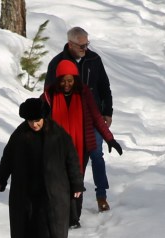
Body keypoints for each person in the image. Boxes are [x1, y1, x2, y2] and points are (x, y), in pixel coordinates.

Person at [0, 98, 83, 238]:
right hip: (27, 192)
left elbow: (71, 159)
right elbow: (7, 159)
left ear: (44, 117)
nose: (34, 124)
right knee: (31, 229)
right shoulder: (19, 135)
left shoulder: (58, 134)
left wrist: (77, 184)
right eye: (30, 121)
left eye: (37, 120)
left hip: (54, 191)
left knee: (52, 227)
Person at [44, 59, 122, 229]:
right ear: (57, 80)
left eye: (70, 81)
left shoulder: (84, 94)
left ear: (75, 80)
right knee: (60, 181)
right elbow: (38, 117)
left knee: (76, 179)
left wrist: (110, 139)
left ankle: (74, 218)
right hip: (56, 146)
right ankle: (61, 215)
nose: (66, 84)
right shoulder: (49, 96)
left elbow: (96, 117)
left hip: (81, 145)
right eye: (63, 81)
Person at [46, 26, 116, 214]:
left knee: (96, 156)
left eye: (87, 44)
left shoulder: (93, 59)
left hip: (93, 118)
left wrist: (107, 112)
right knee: (73, 161)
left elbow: (104, 87)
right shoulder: (58, 63)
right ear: (70, 44)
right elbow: (49, 94)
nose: (85, 49)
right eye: (82, 46)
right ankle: (72, 202)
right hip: (68, 120)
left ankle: (101, 195)